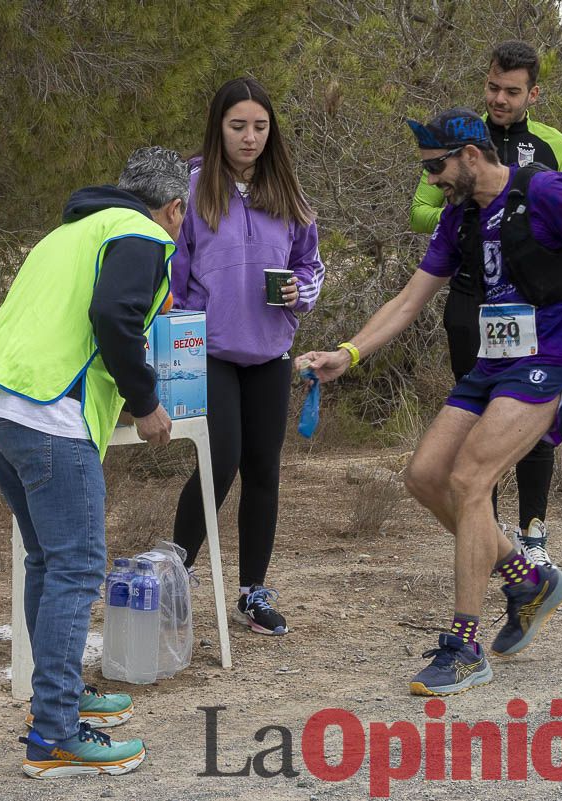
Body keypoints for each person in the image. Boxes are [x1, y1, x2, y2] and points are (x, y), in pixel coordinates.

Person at [299, 109, 562, 696]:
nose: (431, 181)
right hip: (494, 363)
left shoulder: (541, 188)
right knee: (425, 475)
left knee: (470, 481)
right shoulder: (457, 219)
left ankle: (465, 647)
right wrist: (349, 352)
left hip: (551, 360)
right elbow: (409, 300)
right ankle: (525, 580)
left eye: (435, 168)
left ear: (469, 155)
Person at [0, 147, 189, 777]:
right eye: (181, 219)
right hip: (48, 412)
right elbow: (113, 316)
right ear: (173, 208)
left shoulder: (69, 232)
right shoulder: (140, 232)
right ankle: (55, 732)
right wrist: (145, 401)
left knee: (49, 561)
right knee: (78, 567)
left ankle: (56, 696)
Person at [410, 40, 562, 567]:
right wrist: (462, 215)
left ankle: (534, 537)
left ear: (534, 93)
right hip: (468, 295)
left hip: (527, 305)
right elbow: (421, 207)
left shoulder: (553, 146)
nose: (500, 99)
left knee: (529, 421)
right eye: (492, 88)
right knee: (476, 423)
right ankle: (488, 528)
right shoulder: (459, 138)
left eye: (512, 91)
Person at [171, 77, 325, 637]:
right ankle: (174, 577)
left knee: (264, 468)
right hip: (210, 351)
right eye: (238, 126)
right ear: (218, 127)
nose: (250, 137)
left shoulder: (289, 192)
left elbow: (311, 267)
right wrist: (177, 329)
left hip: (271, 352)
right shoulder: (193, 190)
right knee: (221, 459)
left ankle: (253, 592)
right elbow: (175, 273)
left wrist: (300, 294)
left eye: (260, 126)